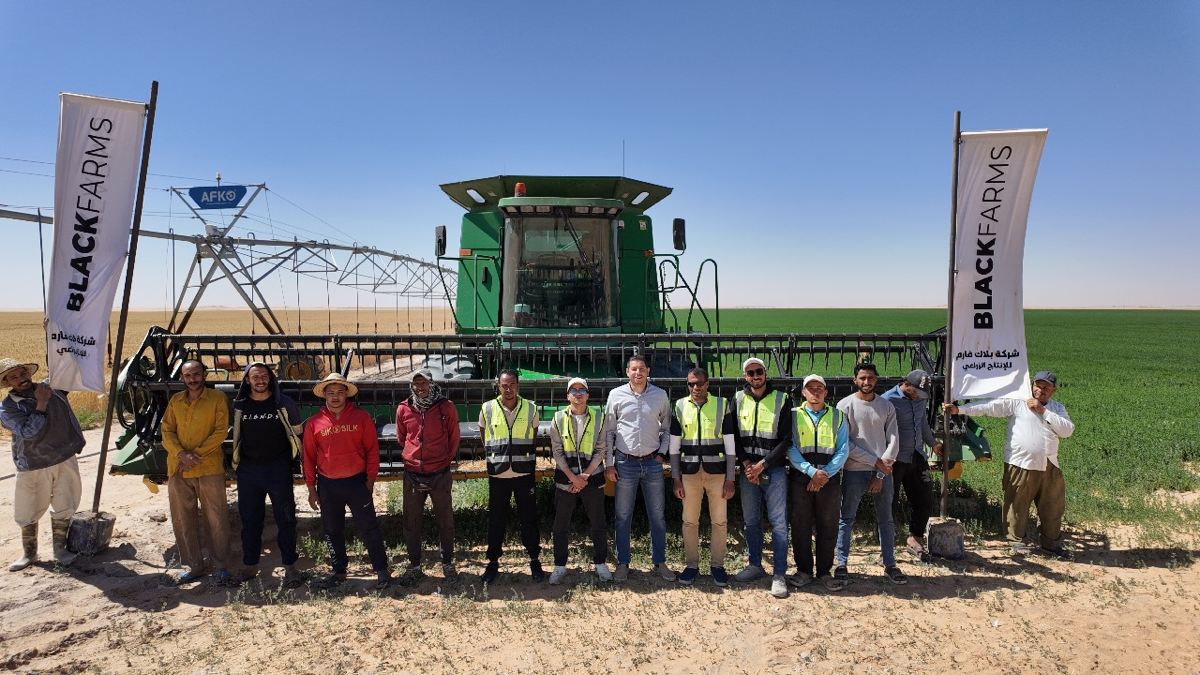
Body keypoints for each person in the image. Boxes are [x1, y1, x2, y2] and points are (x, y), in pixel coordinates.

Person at [944, 371, 1075, 557]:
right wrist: (961, 410)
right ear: (1032, 385)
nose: (1041, 390)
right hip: (1021, 463)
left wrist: (1042, 410)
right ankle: (1017, 541)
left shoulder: (1057, 409)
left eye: (1046, 387)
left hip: (1050, 464)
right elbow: (990, 407)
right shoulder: (1018, 402)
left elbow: (1067, 430)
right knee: (1017, 503)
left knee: (1052, 506)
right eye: (1038, 385)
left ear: (1053, 390)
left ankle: (1051, 544)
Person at [303, 373, 391, 590]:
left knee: (369, 527)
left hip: (356, 483)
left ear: (346, 395)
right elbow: (308, 457)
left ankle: (382, 571)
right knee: (332, 530)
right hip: (328, 485)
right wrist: (311, 489)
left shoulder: (361, 418)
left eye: (340, 392)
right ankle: (339, 571)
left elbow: (372, 451)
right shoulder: (314, 423)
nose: (335, 397)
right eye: (330, 393)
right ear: (324, 395)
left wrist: (370, 481)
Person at [1, 358, 84, 571]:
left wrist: (53, 336)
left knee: (66, 502)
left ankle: (60, 550)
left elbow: (67, 365)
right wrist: (42, 403)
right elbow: (29, 432)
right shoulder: (7, 407)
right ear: (7, 382)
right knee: (28, 507)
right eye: (14, 377)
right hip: (33, 463)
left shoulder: (52, 387)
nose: (21, 379)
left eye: (23, 374)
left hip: (64, 455)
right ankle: (29, 554)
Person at [230, 362, 303, 587]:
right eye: (255, 377)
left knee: (286, 519)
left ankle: (290, 567)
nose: (260, 380)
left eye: (264, 376)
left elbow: (298, 432)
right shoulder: (239, 405)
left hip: (278, 470)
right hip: (248, 472)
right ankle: (250, 566)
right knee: (250, 521)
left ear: (270, 379)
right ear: (246, 381)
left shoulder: (284, 403)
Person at [604, 354, 675, 583]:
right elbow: (609, 432)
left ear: (648, 371)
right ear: (627, 372)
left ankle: (660, 561)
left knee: (657, 515)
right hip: (625, 462)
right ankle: (623, 562)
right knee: (623, 515)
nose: (638, 373)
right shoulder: (616, 395)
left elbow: (667, 428)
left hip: (652, 462)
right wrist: (610, 463)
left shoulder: (660, 395)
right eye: (634, 369)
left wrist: (661, 454)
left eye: (642, 369)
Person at [161, 359, 232, 585]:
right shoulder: (175, 401)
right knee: (182, 519)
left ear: (205, 375)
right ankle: (194, 565)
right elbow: (167, 430)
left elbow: (220, 432)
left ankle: (220, 566)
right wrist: (181, 454)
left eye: (196, 374)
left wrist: (194, 456)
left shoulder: (217, 399)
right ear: (182, 378)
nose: (193, 379)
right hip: (178, 468)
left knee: (216, 517)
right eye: (188, 375)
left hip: (208, 467)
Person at [836, 362, 905, 585]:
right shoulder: (845, 406)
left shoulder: (886, 407)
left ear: (877, 380)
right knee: (846, 518)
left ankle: (890, 563)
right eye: (863, 378)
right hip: (855, 470)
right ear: (854, 380)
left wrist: (881, 473)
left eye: (871, 378)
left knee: (886, 519)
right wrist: (876, 462)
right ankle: (841, 563)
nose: (867, 382)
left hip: (883, 472)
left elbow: (893, 440)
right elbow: (845, 444)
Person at [731, 357, 793, 598]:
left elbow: (786, 439)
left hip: (774, 470)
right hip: (748, 471)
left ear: (765, 373)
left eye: (759, 372)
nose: (755, 376)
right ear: (745, 377)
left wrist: (762, 465)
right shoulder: (737, 399)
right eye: (750, 373)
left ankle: (779, 574)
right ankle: (755, 565)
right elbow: (733, 435)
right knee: (751, 521)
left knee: (778, 524)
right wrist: (748, 464)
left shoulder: (782, 399)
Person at [670, 368, 736, 587]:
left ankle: (717, 566)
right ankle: (692, 565)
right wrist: (676, 478)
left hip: (717, 473)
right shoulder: (679, 406)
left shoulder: (721, 404)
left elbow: (729, 445)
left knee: (719, 521)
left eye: (699, 383)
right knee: (689, 521)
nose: (695, 388)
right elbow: (674, 447)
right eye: (691, 384)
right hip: (689, 474)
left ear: (708, 384)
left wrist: (730, 478)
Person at [479, 369, 544, 584]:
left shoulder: (531, 408)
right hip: (498, 474)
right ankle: (493, 562)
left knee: (529, 519)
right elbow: (484, 435)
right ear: (498, 386)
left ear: (518, 385)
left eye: (512, 385)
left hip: (523, 472)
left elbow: (532, 436)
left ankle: (534, 559)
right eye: (504, 385)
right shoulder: (487, 409)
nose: (509, 389)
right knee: (496, 520)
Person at [395, 368, 460, 582]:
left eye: (424, 383)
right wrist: (414, 458)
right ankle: (414, 564)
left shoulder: (445, 407)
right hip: (413, 473)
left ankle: (448, 562)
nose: (420, 387)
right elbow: (402, 437)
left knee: (446, 519)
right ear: (411, 386)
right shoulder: (404, 409)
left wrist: (442, 461)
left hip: (439, 473)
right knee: (411, 521)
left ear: (431, 384)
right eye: (416, 384)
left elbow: (453, 438)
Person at [787, 375, 850, 592]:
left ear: (826, 392)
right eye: (810, 388)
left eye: (819, 388)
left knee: (829, 525)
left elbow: (843, 449)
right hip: (801, 477)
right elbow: (790, 447)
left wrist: (824, 475)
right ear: (803, 392)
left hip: (829, 480)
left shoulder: (838, 416)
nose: (815, 392)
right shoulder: (793, 415)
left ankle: (824, 572)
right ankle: (804, 570)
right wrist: (811, 472)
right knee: (800, 524)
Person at [548, 377, 611, 584]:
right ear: (567, 396)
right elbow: (557, 452)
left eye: (581, 390)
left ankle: (601, 563)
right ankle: (559, 566)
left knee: (598, 523)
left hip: (591, 478)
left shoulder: (599, 417)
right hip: (567, 478)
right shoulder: (558, 418)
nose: (577, 394)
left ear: (587, 395)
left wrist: (584, 476)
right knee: (560, 525)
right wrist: (572, 477)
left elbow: (601, 448)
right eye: (573, 391)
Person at [881, 369, 943, 560]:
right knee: (889, 502)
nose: (919, 397)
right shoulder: (887, 400)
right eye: (916, 392)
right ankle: (885, 545)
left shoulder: (920, 399)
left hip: (917, 455)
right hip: (895, 459)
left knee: (924, 500)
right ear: (906, 384)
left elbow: (922, 422)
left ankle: (914, 538)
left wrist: (933, 443)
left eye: (922, 394)